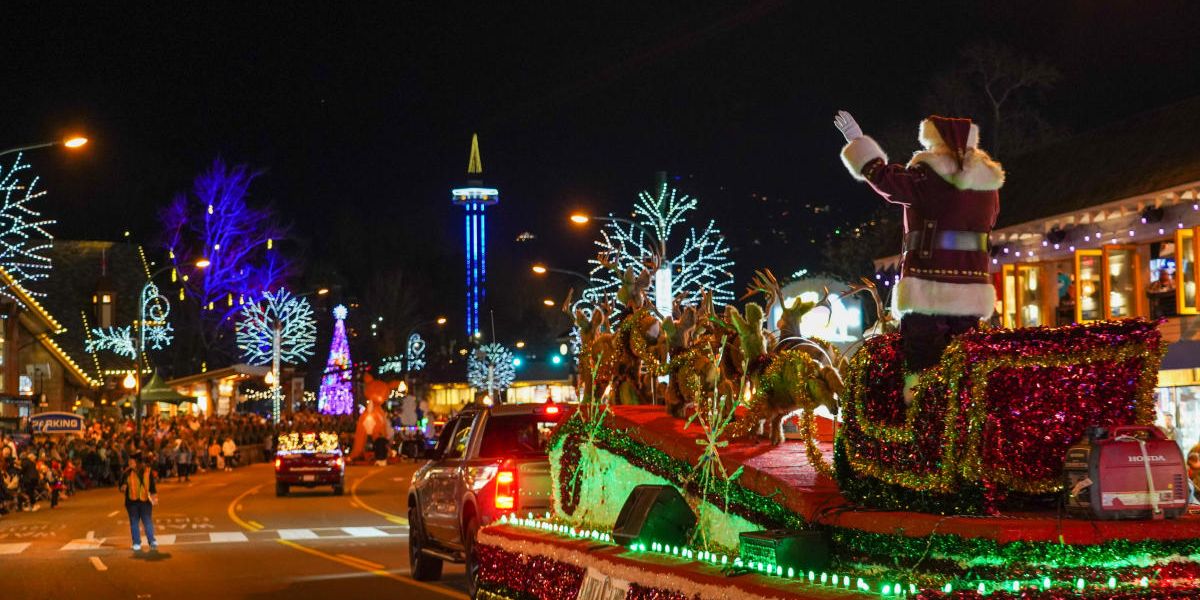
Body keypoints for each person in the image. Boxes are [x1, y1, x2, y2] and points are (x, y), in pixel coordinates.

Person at [836, 111, 1004, 401]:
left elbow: (886, 180)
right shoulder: (988, 186)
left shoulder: (928, 176)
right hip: (972, 287)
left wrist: (857, 141)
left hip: (927, 284)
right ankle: (964, 417)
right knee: (965, 360)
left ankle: (923, 419)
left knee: (922, 357)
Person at [119, 453, 157, 551]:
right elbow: (121, 485)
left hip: (145, 500)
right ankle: (136, 543)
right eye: (129, 461)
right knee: (134, 523)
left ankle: (152, 541)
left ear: (137, 462)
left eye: (131, 461)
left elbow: (152, 485)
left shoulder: (148, 471)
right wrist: (122, 487)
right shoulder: (126, 472)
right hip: (132, 501)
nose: (129, 463)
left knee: (147, 521)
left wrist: (154, 497)